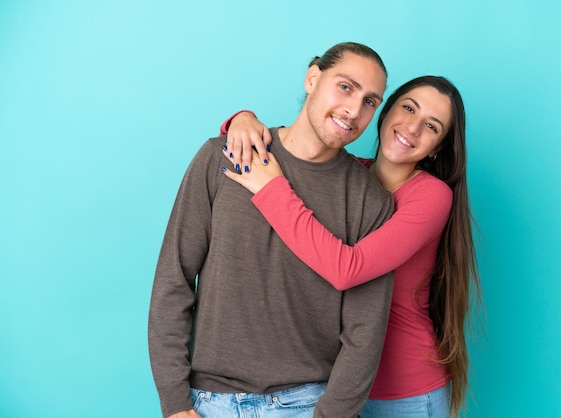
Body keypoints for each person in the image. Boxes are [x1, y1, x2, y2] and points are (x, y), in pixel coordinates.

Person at [148, 42, 397, 418]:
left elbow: (365, 333)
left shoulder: (370, 202)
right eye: (346, 87)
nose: (354, 109)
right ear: (313, 78)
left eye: (370, 102)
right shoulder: (223, 157)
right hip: (209, 401)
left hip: (308, 402)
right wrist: (174, 402)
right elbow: (173, 280)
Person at [219, 75, 482, 418]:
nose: (412, 128)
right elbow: (298, 150)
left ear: (436, 148)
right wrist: (242, 120)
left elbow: (347, 270)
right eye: (408, 108)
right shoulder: (349, 174)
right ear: (385, 113)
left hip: (401, 394)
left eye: (431, 126)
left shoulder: (431, 196)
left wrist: (272, 189)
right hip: (332, 386)